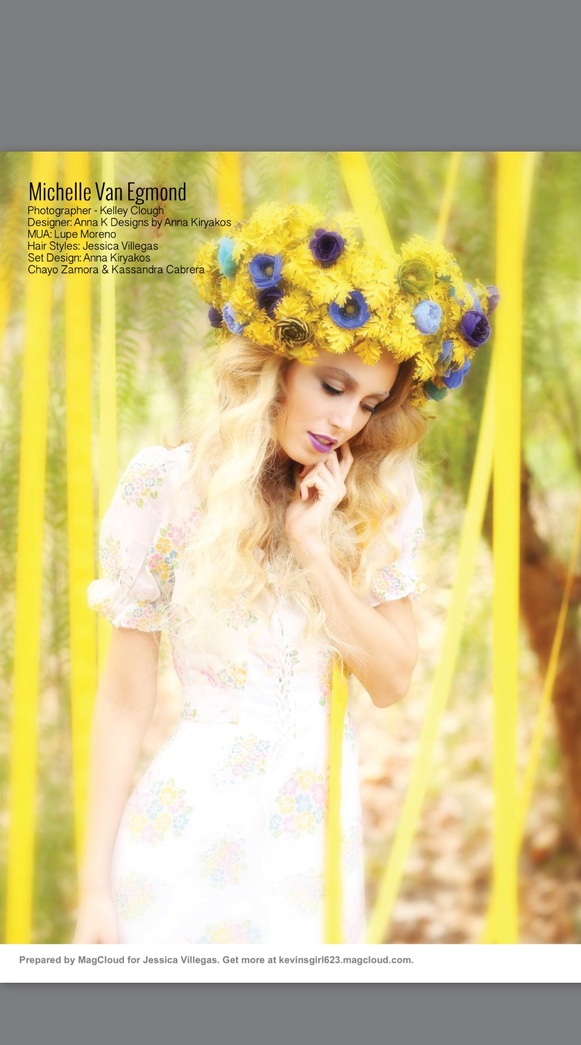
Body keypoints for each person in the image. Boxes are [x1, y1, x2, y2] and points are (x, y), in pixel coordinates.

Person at [75, 203, 496, 945]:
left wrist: (314, 550)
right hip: (181, 840)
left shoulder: (375, 499)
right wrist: (93, 892)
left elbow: (391, 680)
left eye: (368, 402)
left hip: (312, 849)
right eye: (332, 386)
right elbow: (123, 700)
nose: (346, 421)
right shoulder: (164, 487)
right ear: (277, 367)